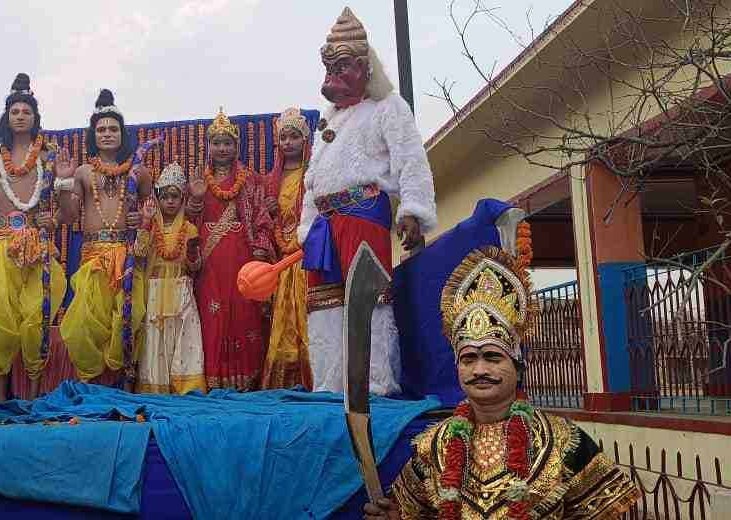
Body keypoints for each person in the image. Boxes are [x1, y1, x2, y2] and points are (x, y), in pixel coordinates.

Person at [363, 247, 640, 519]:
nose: (480, 369)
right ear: (457, 368)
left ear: (517, 368)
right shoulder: (432, 447)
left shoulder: (565, 441)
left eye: (493, 357)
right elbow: (411, 513)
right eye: (468, 359)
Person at [298, 8, 437, 395]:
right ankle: (328, 387)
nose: (334, 75)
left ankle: (376, 385)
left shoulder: (389, 107)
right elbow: (312, 179)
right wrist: (306, 227)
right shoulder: (328, 118)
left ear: (363, 67)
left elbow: (411, 159)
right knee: (324, 305)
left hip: (364, 214)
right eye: (330, 67)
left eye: (342, 66)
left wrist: (413, 210)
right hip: (323, 227)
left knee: (369, 299)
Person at [0, 73, 72, 401]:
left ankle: (34, 397)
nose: (21, 116)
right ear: (7, 117)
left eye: (27, 111)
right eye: (15, 111)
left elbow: (67, 214)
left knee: (36, 318)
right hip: (2, 244)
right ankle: (0, 397)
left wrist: (54, 217)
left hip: (36, 247)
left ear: (35, 118)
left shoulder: (47, 159)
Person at [57, 89, 152, 390]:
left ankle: (123, 392)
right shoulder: (83, 172)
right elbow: (69, 216)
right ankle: (91, 391)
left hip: (127, 255)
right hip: (93, 258)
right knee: (86, 325)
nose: (107, 134)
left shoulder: (139, 172)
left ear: (123, 135)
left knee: (126, 321)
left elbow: (153, 213)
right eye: (101, 130)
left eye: (113, 129)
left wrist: (142, 220)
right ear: (93, 136)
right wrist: (63, 181)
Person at [188, 108, 275, 391]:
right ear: (208, 146)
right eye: (216, 142)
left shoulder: (250, 180)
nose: (222, 148)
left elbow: (262, 217)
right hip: (210, 262)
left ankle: (246, 380)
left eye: (227, 143)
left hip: (242, 258)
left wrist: (260, 251)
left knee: (244, 314)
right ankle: (214, 379)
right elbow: (186, 221)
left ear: (236, 147)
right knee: (211, 316)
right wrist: (195, 199)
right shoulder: (199, 180)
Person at [133, 162, 206, 394]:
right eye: (165, 197)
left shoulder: (189, 228)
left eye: (175, 196)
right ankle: (156, 386)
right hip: (155, 291)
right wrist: (145, 224)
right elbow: (138, 253)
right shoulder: (151, 226)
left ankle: (186, 387)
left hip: (181, 289)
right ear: (158, 198)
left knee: (184, 338)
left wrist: (192, 254)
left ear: (182, 198)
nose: (170, 201)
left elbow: (195, 267)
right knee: (155, 339)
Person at [259, 107, 313, 390]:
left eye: (294, 136)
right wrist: (268, 211)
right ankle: (284, 384)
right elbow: (261, 222)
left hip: (308, 258)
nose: (288, 142)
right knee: (282, 321)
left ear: (305, 140)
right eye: (284, 137)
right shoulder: (270, 181)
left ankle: (314, 379)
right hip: (280, 261)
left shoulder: (313, 174)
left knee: (307, 318)